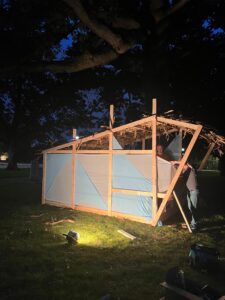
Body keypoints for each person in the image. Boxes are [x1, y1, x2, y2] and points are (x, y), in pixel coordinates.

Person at [157, 144, 199, 230]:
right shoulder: (183, 170)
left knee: (193, 208)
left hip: (193, 191)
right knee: (190, 207)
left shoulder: (190, 167)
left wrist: (175, 162)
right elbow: (177, 168)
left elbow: (184, 165)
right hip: (189, 191)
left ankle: (194, 224)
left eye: (182, 161)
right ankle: (192, 223)